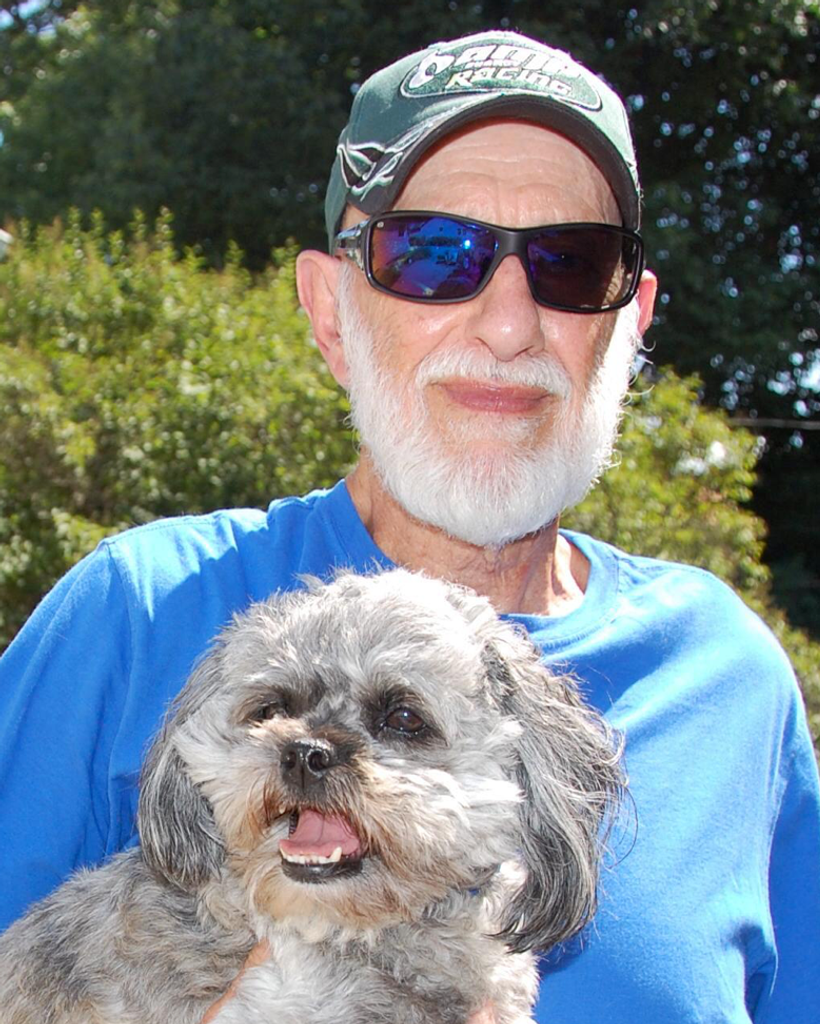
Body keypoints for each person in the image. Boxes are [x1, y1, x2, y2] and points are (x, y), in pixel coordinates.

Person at [1, 28, 818, 1024]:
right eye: (432, 255)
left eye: (570, 263)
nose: (508, 321)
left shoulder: (731, 675)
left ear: (632, 320)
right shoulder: (134, 610)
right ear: (329, 312)